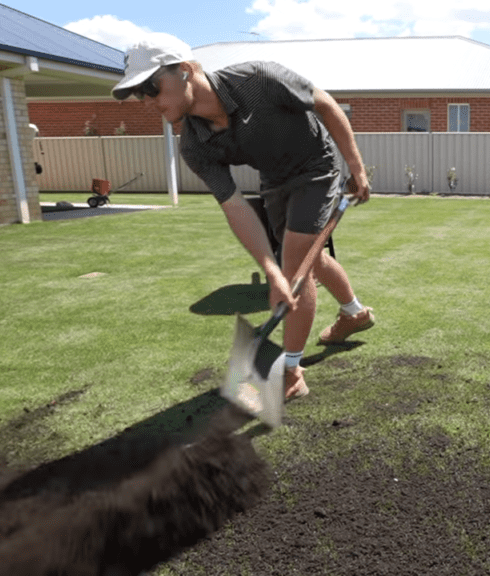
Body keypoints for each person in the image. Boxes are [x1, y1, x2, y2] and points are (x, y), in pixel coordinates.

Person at [112, 37, 374, 400]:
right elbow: (234, 206)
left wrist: (356, 169)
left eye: (151, 87)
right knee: (307, 260)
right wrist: (269, 273)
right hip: (274, 181)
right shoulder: (193, 145)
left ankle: (291, 372)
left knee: (296, 263)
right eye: (140, 93)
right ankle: (354, 313)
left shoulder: (260, 79)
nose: (148, 100)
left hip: (316, 166)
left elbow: (327, 106)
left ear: (186, 72)